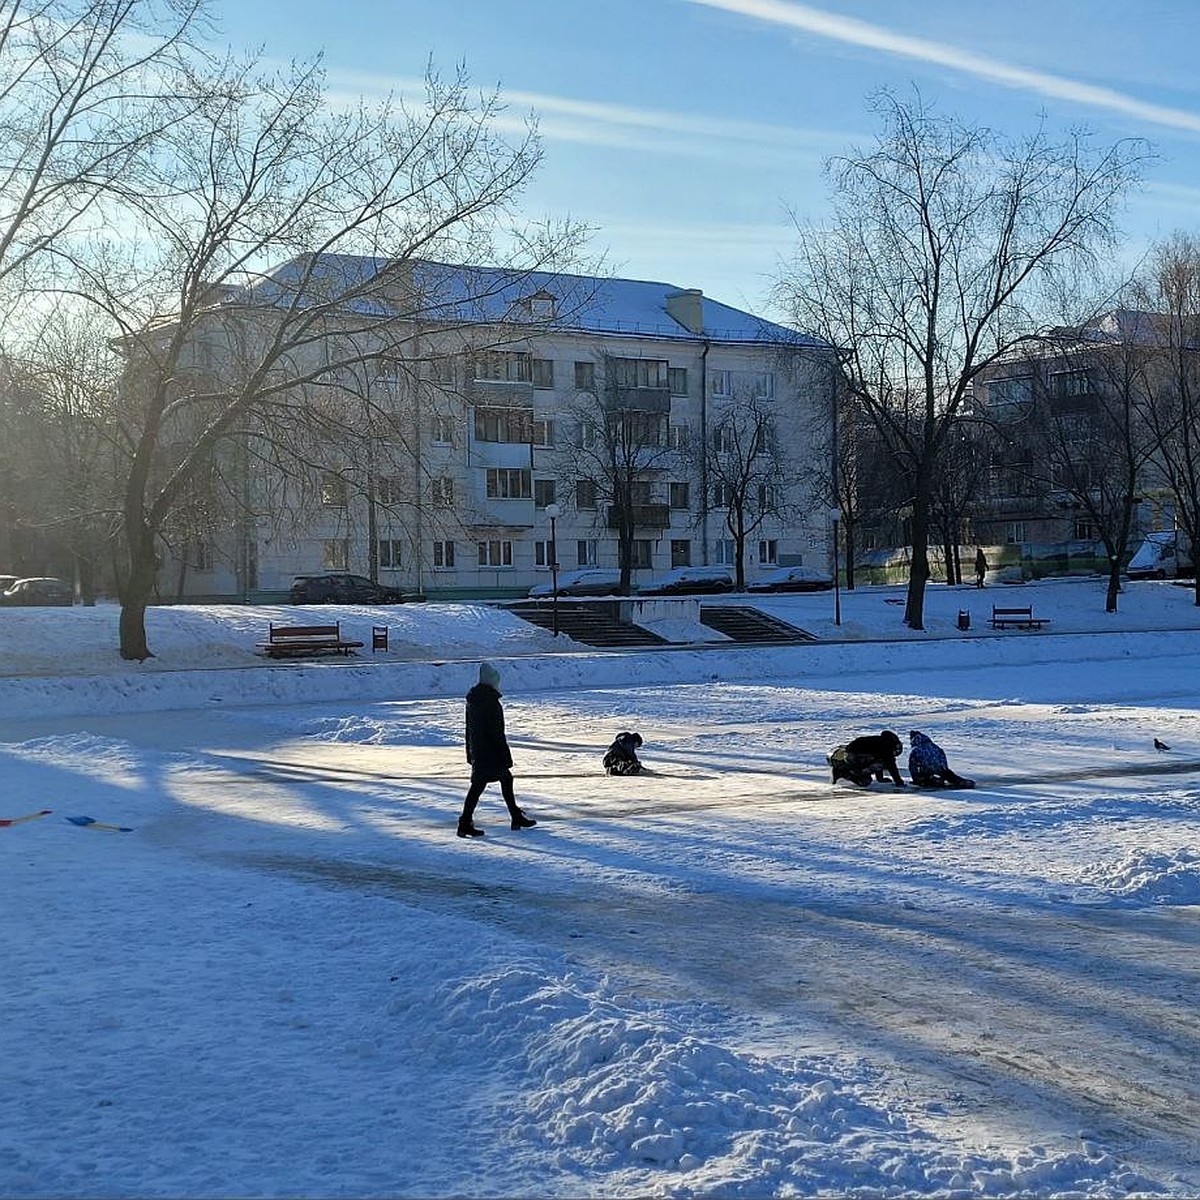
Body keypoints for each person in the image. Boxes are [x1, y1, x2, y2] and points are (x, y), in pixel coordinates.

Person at [458, 662, 537, 838]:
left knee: (500, 781)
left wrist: (470, 753)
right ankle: (465, 823)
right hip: (490, 753)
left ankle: (515, 816)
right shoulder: (490, 702)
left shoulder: (473, 700)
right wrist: (505, 756)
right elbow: (497, 733)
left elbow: (468, 730)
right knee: (483, 785)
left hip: (479, 752)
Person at [828, 730, 905, 787]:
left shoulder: (879, 741)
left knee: (878, 763)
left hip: (851, 753)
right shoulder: (887, 746)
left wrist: (880, 779)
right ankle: (844, 773)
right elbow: (891, 766)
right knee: (864, 781)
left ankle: (844, 771)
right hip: (857, 755)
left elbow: (880, 758)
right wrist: (898, 781)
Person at [907, 729, 975, 789]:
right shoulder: (935, 746)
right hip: (941, 767)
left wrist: (915, 779)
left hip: (927, 768)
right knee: (949, 775)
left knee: (924, 777)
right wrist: (945, 769)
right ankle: (962, 781)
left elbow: (912, 766)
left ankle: (934, 781)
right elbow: (942, 756)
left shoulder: (916, 750)